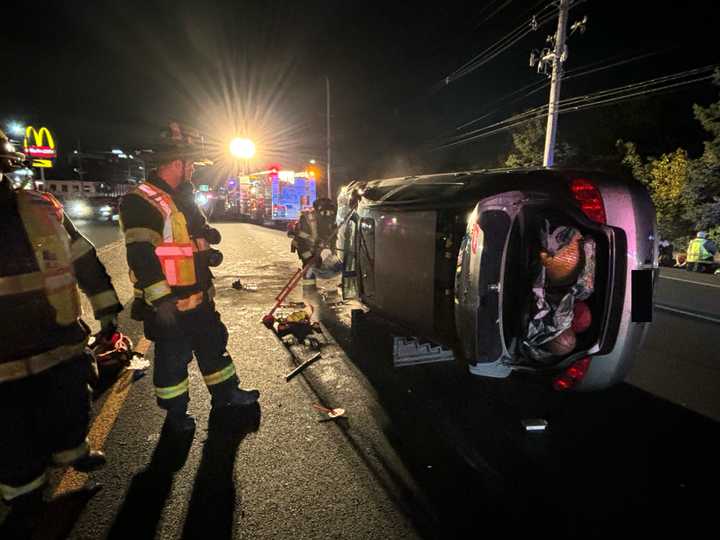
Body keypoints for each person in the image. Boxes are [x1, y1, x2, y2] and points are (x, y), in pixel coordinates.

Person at [0, 130, 121, 528]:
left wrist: (107, 310)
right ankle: (24, 498)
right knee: (12, 438)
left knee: (70, 405)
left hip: (58, 342)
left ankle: (72, 452)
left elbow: (83, 259)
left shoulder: (42, 209)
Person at [119, 122, 258, 434]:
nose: (194, 169)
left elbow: (193, 244)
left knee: (213, 346)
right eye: (191, 164)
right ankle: (176, 414)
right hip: (169, 304)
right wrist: (162, 301)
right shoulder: (141, 201)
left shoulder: (183, 198)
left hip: (199, 299)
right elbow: (142, 257)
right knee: (173, 362)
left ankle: (226, 395)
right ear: (177, 163)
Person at [291, 197, 342, 290]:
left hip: (313, 246)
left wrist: (332, 249)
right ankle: (308, 290)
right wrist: (316, 244)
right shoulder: (308, 218)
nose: (329, 215)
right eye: (326, 212)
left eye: (331, 212)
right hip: (303, 245)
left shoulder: (329, 218)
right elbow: (302, 235)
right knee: (309, 265)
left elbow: (331, 235)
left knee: (315, 264)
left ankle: (311, 288)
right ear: (319, 210)